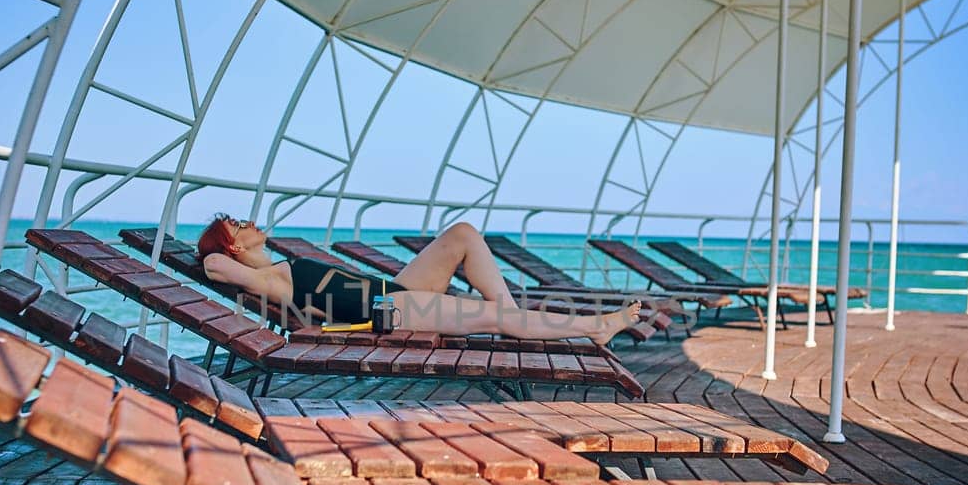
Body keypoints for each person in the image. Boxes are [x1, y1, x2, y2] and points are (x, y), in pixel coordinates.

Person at [195, 216, 642, 344]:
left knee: (463, 234)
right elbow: (214, 267)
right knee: (493, 318)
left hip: (394, 292)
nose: (249, 221)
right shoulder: (272, 280)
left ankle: (513, 314)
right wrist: (224, 254)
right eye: (238, 225)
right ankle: (593, 328)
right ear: (233, 246)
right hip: (386, 312)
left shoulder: (281, 268)